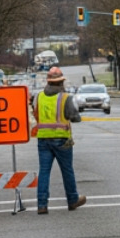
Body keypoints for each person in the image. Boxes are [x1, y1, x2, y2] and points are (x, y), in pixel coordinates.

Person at [33, 66, 86, 214]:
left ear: (48, 82)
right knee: (67, 170)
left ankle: (42, 205)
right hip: (62, 139)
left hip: (43, 139)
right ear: (60, 82)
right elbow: (75, 117)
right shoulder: (65, 98)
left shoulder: (39, 97)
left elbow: (35, 113)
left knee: (44, 171)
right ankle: (72, 200)